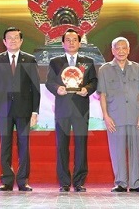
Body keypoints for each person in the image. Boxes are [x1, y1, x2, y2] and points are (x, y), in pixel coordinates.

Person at [0, 27, 41, 192]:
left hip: (24, 110)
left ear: (21, 41)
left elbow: (35, 87)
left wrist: (35, 111)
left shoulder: (30, 59)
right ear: (4, 41)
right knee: (5, 146)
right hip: (3, 110)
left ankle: (23, 180)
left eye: (16, 37)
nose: (12, 40)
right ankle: (7, 180)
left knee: (24, 145)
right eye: (9, 38)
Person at [46, 28, 98, 192]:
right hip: (62, 108)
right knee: (62, 145)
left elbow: (94, 82)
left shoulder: (87, 61)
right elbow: (49, 82)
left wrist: (87, 90)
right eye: (67, 40)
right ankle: (64, 182)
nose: (71, 42)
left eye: (74, 40)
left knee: (81, 145)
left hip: (81, 108)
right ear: (63, 43)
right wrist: (57, 88)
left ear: (79, 42)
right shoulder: (55, 62)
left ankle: (79, 182)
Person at [97, 37, 139, 193]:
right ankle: (120, 182)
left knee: (136, 151)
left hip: (135, 115)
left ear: (129, 50)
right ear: (112, 50)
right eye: (117, 48)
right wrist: (106, 116)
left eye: (124, 48)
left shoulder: (138, 68)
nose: (121, 51)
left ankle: (136, 183)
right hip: (115, 116)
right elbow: (103, 95)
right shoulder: (104, 69)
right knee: (117, 150)